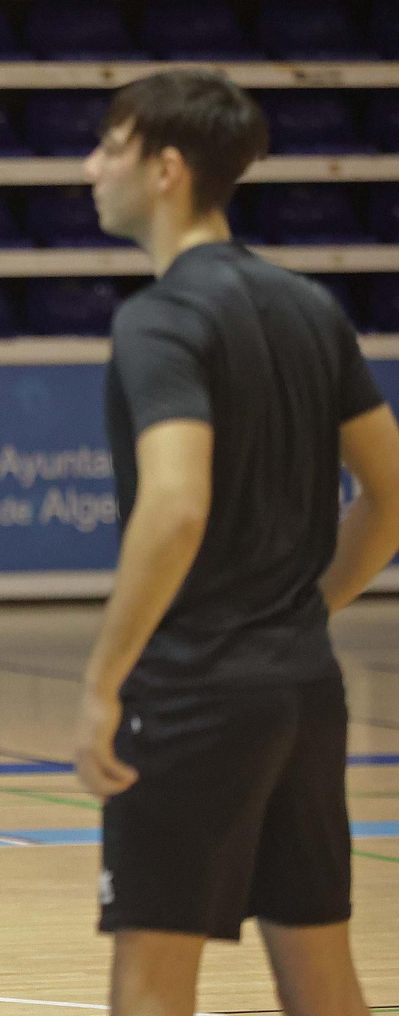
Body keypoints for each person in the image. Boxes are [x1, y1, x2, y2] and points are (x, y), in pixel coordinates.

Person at [72, 68, 399, 1016]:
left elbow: (175, 505)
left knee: (153, 978)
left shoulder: (160, 319)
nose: (91, 165)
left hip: (191, 692)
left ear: (167, 168)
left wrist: (102, 679)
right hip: (303, 688)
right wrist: (307, 611)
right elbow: (391, 495)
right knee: (322, 976)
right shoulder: (307, 306)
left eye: (111, 145)